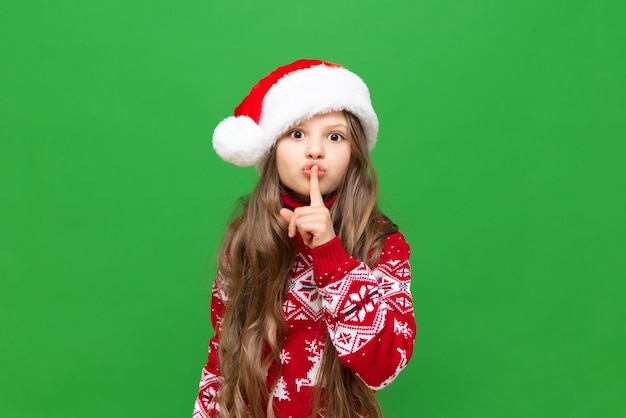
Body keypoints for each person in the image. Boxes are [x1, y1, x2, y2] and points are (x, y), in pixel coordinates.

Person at [193, 59, 416, 418]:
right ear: (271, 150)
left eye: (334, 136)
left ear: (354, 153)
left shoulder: (381, 243)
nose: (315, 150)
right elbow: (223, 355)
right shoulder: (245, 239)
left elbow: (385, 365)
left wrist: (332, 255)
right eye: (297, 134)